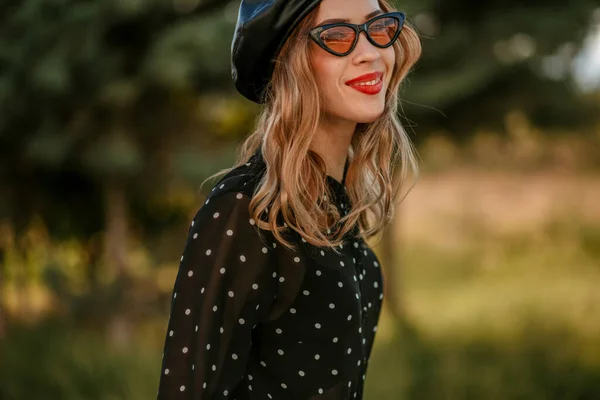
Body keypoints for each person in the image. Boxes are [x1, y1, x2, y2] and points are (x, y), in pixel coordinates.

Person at [156, 0, 421, 398]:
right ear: (290, 63)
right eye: (336, 35)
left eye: (377, 27)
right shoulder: (247, 215)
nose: (369, 52)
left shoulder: (341, 226)